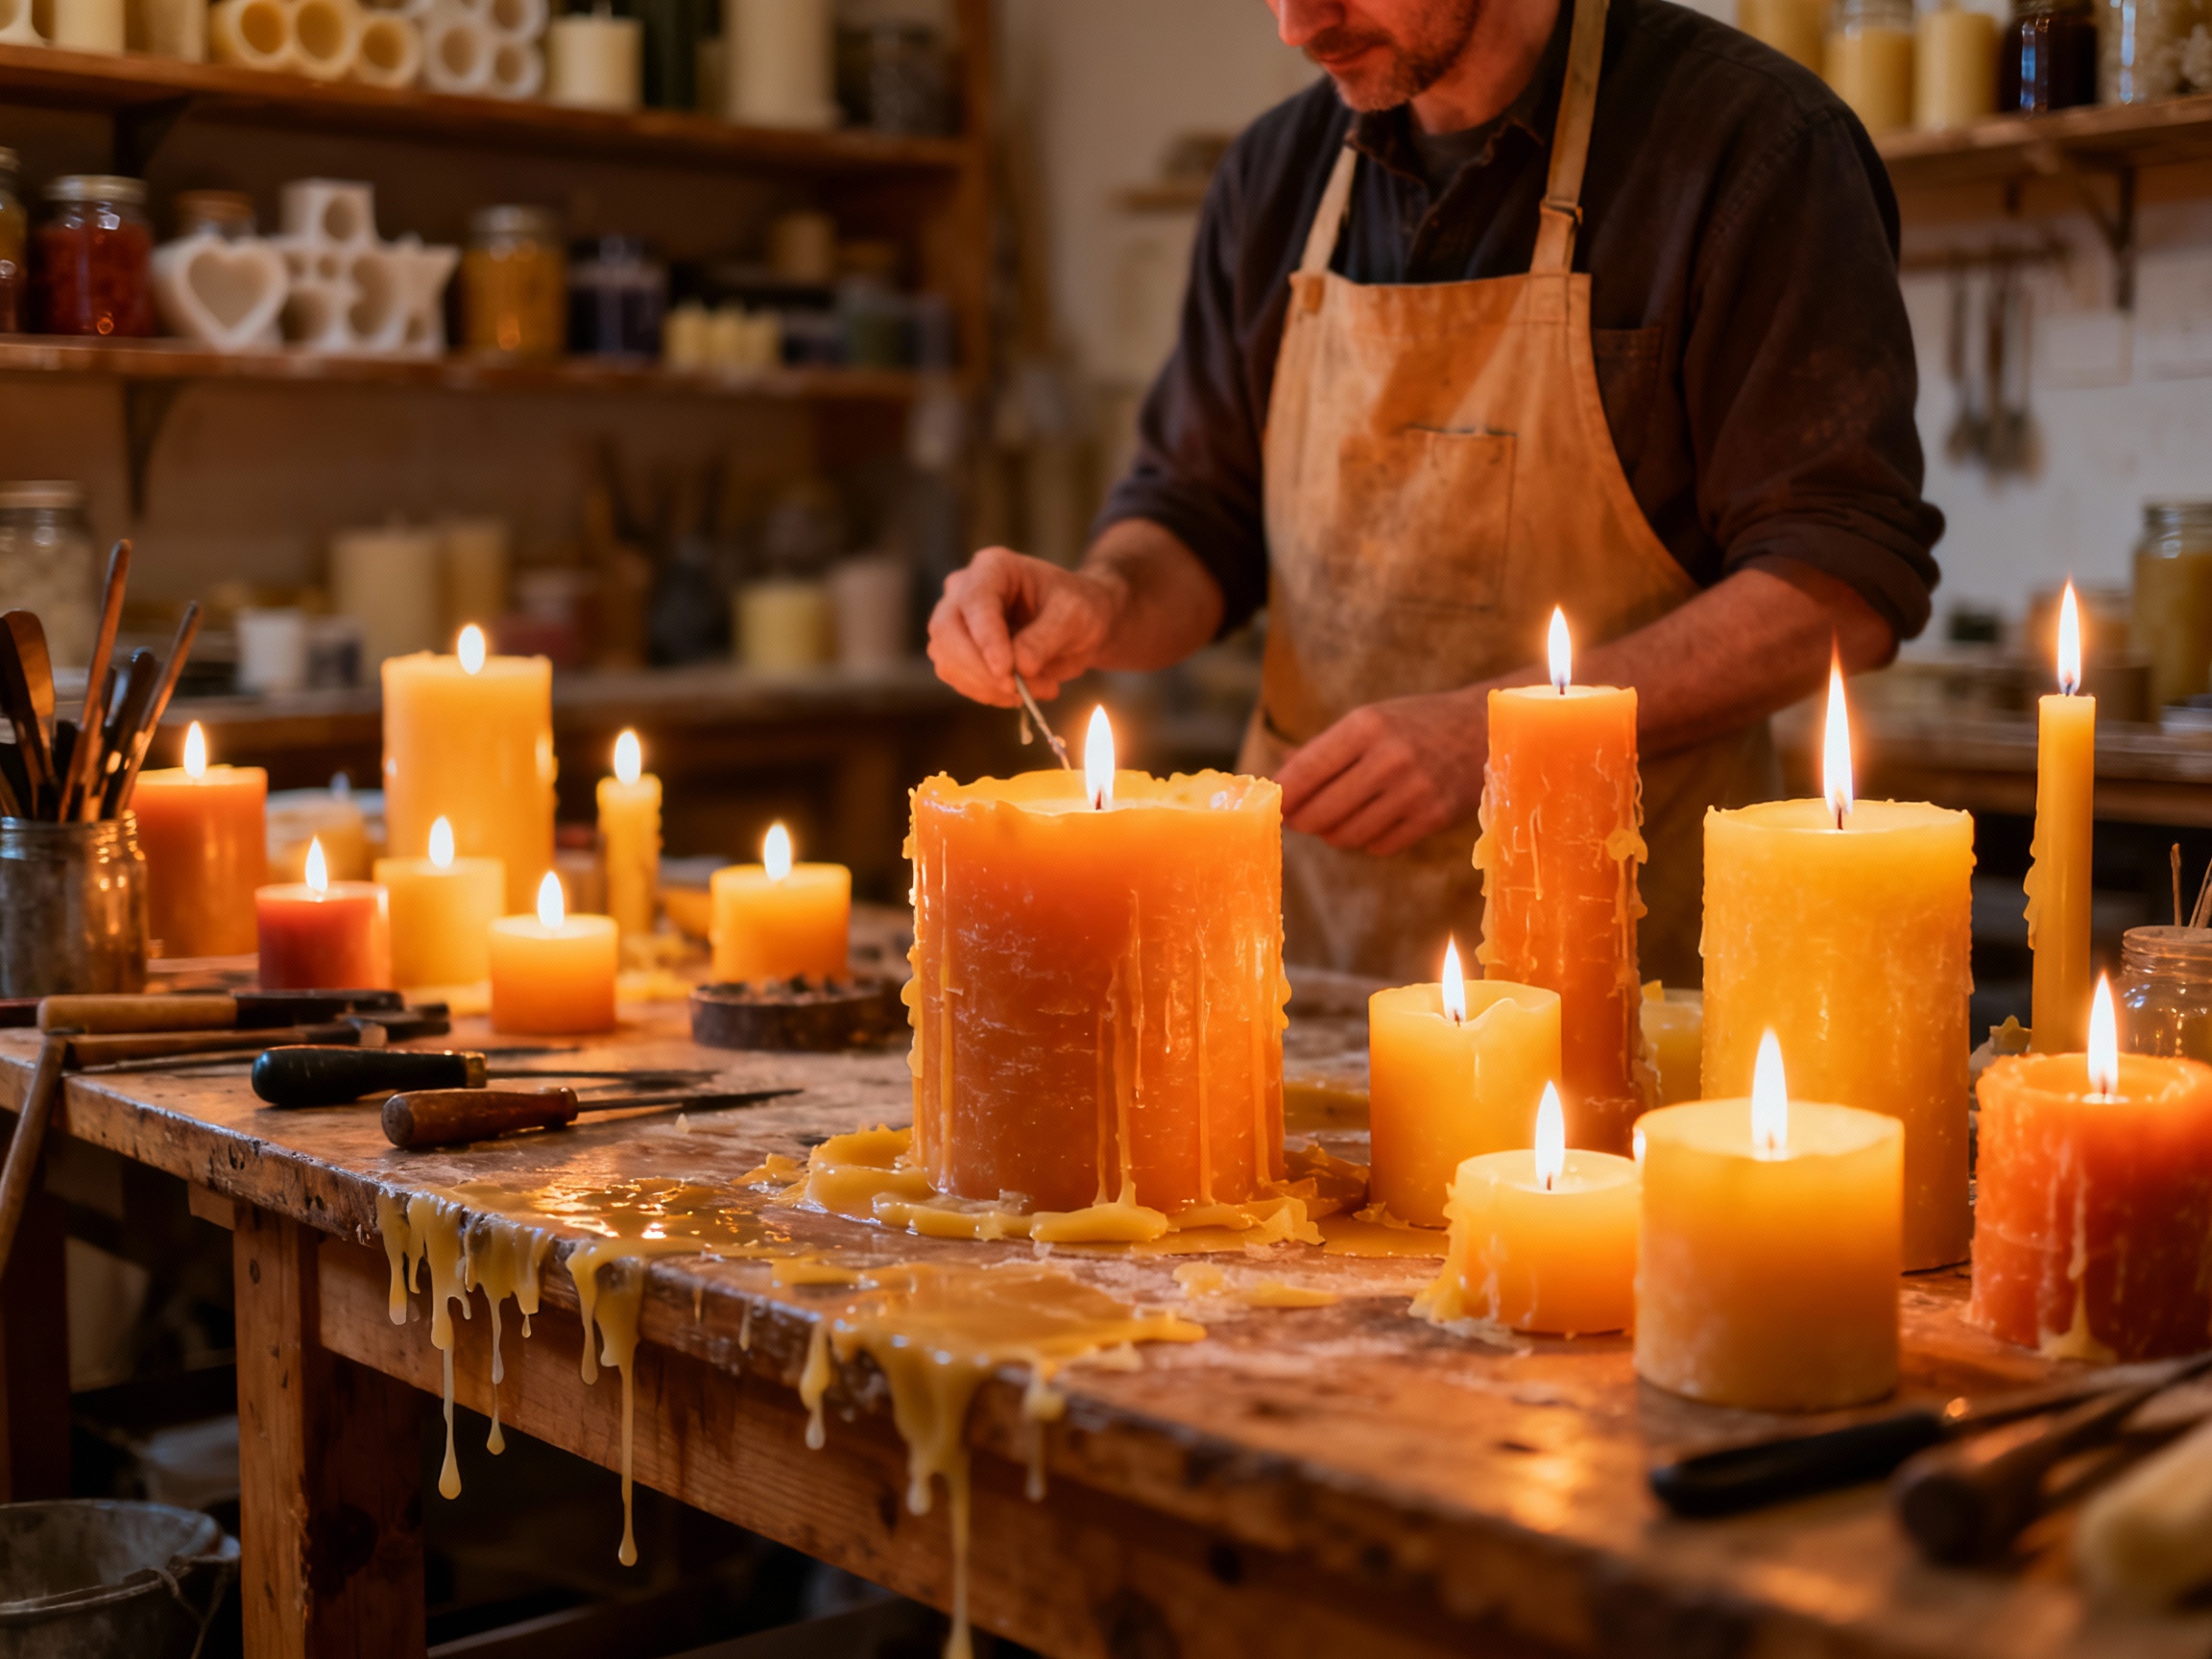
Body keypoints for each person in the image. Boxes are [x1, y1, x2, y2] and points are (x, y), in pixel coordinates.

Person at [927, 0, 1942, 985]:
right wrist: (1101, 601)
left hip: (1621, 975)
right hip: (1310, 971)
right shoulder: (1274, 175)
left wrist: (1502, 737)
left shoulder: (1749, 147)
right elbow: (1200, 515)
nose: (1298, 24)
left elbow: (1842, 586)